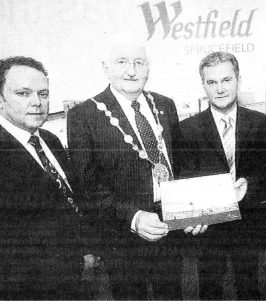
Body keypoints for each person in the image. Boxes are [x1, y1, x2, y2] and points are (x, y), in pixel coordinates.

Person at [67, 35, 192, 299]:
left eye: (139, 62)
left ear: (148, 66)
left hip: (170, 226)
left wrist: (192, 210)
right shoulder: (84, 116)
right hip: (122, 233)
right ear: (106, 67)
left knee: (172, 294)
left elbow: (180, 164)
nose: (132, 70)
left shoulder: (165, 105)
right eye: (122, 62)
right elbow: (87, 186)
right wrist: (134, 218)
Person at [0, 56, 93, 299]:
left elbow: (72, 204)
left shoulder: (50, 140)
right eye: (23, 93)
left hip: (79, 283)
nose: (37, 102)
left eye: (43, 93)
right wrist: (76, 265)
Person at [180, 51, 266, 300]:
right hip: (209, 229)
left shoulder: (258, 122)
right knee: (209, 290)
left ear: (238, 81)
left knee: (250, 289)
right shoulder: (188, 129)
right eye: (212, 82)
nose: (220, 89)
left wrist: (249, 184)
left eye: (226, 80)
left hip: (248, 224)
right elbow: (185, 177)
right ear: (204, 86)